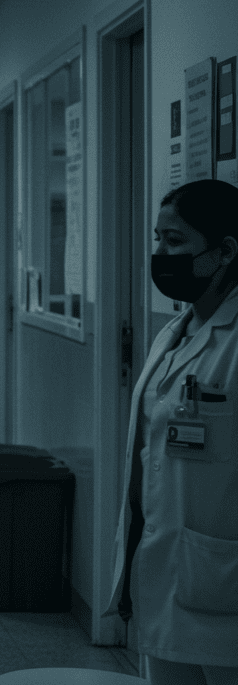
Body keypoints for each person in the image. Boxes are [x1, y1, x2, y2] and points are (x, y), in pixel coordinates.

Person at [104, 179, 238, 684]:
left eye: (176, 241)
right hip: (164, 570)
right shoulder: (175, 332)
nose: (160, 255)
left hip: (221, 577)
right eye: (157, 240)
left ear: (224, 251)